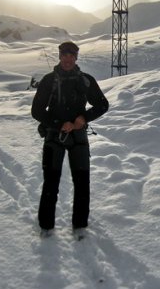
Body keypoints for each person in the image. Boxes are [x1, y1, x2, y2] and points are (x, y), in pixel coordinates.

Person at [31, 41, 109, 237]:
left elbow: (102, 104)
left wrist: (84, 118)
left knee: (82, 181)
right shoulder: (49, 81)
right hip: (53, 135)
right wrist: (59, 124)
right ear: (59, 56)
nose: (67, 59)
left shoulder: (85, 80)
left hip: (78, 136)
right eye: (64, 55)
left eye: (71, 55)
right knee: (51, 181)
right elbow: (36, 111)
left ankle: (80, 225)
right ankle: (46, 227)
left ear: (76, 57)